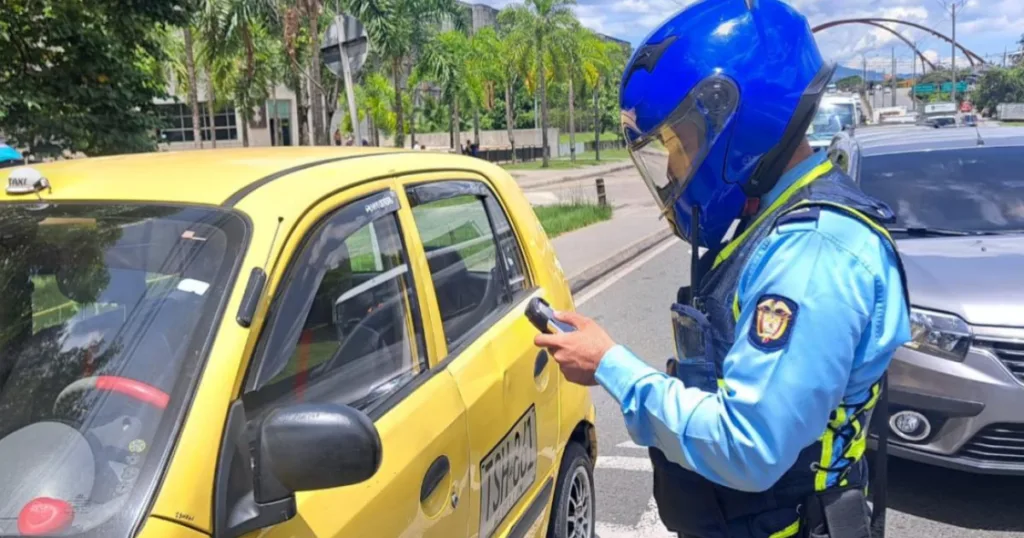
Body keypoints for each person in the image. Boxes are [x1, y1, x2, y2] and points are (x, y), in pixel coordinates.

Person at [534, 1, 912, 537]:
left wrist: (609, 365)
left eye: (680, 145)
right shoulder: (778, 223)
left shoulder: (813, 253)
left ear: (737, 120)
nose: (672, 169)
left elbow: (749, 447)